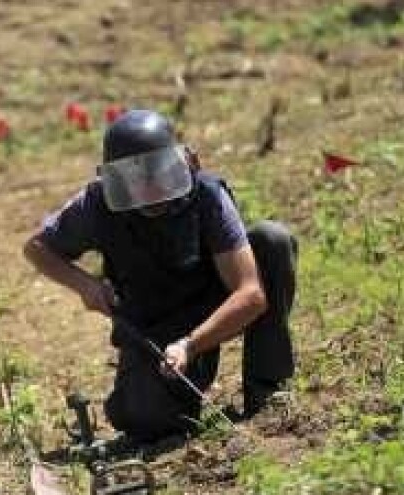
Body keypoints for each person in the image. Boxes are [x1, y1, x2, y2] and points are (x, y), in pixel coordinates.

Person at [23, 109, 297, 444]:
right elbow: (37, 248)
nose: (149, 190)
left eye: (157, 174)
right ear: (114, 180)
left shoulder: (207, 195)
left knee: (271, 240)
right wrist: (86, 285)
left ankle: (266, 390)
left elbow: (250, 294)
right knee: (143, 418)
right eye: (135, 181)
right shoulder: (96, 204)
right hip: (156, 322)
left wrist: (191, 345)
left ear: (181, 162)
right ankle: (173, 401)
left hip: (216, 304)